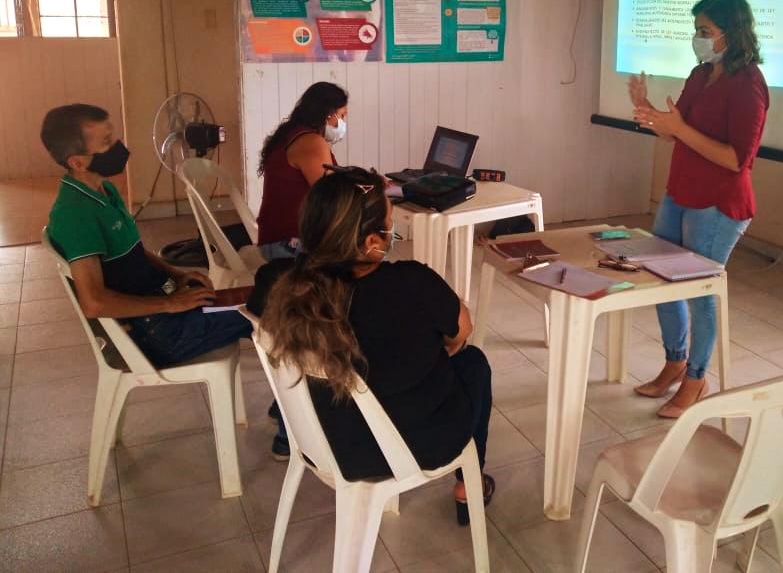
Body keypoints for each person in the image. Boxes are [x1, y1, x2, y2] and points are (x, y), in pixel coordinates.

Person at [256, 167, 495, 525]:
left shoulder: (276, 283)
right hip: (402, 450)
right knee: (473, 364)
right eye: (388, 225)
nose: (391, 233)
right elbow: (462, 332)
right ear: (370, 242)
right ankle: (467, 484)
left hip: (324, 442)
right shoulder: (413, 285)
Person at [40, 104, 267, 412]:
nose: (118, 146)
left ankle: (290, 420)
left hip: (165, 311)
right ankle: (295, 430)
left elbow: (134, 249)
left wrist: (174, 274)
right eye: (106, 143)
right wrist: (169, 304)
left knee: (266, 295)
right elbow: (93, 302)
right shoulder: (75, 214)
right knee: (276, 311)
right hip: (156, 334)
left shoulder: (103, 189)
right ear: (78, 162)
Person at [628, 0, 769, 418]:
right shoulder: (699, 74)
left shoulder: (750, 86)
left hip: (719, 203)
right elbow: (674, 132)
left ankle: (697, 377)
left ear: (733, 32)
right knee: (660, 275)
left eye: (705, 31)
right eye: (697, 31)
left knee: (697, 289)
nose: (698, 38)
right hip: (681, 192)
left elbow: (736, 159)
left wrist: (680, 130)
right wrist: (646, 109)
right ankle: (675, 360)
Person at [256, 82, 349, 260]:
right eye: (342, 116)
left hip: (275, 238)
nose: (343, 123)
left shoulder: (292, 133)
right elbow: (331, 195)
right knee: (370, 248)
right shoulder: (311, 142)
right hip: (289, 242)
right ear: (328, 113)